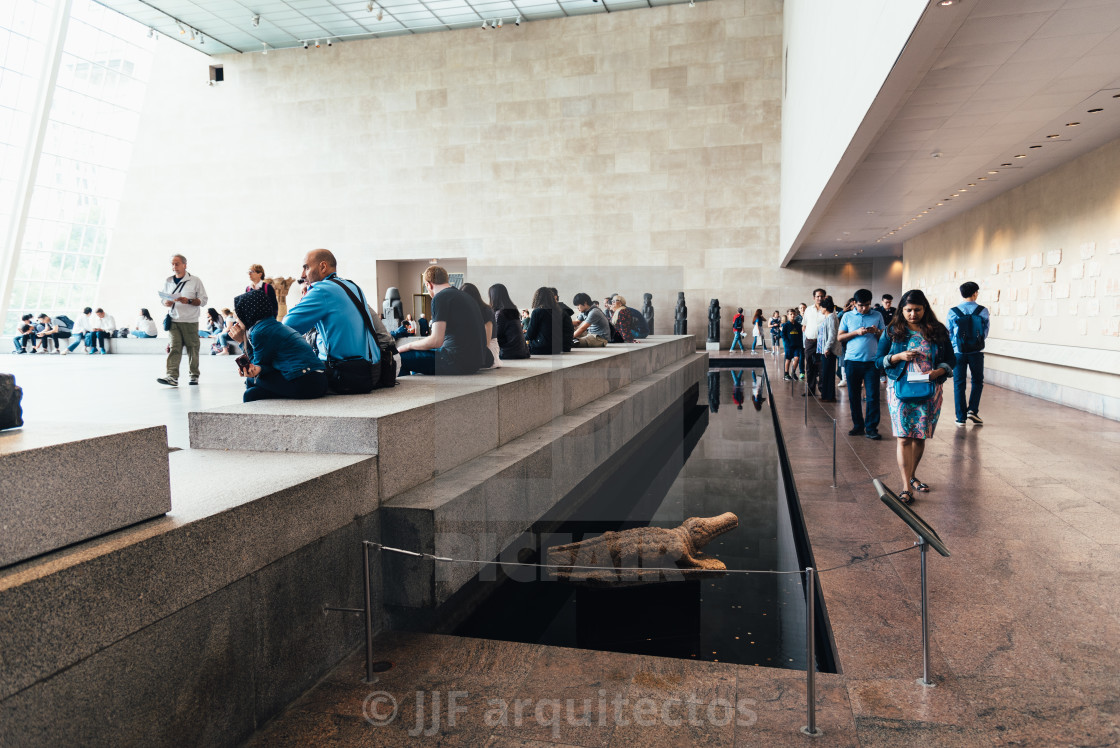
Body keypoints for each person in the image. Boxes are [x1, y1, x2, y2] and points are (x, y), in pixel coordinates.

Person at [877, 289, 955, 504]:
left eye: (917, 310)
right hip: (899, 389)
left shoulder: (937, 330)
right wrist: (897, 356)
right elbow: (878, 360)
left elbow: (951, 359)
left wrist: (939, 372)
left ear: (925, 309)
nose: (913, 314)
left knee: (919, 436)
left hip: (929, 389)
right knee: (903, 437)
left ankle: (912, 476)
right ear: (901, 310)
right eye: (908, 310)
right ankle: (905, 486)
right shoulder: (892, 331)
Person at [283, 249, 382, 387]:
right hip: (373, 370)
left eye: (306, 267)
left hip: (346, 375)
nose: (302, 274)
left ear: (323, 266)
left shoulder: (321, 290)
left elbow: (286, 327)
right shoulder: (352, 286)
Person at [226, 289, 327, 403]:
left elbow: (256, 366)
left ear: (247, 313)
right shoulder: (270, 325)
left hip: (305, 382)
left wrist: (241, 341)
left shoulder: (260, 332)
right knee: (252, 394)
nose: (237, 322)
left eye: (238, 317)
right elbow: (266, 365)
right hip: (316, 380)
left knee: (251, 381)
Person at [397, 265, 484, 375]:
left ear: (429, 285)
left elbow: (436, 341)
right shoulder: (466, 297)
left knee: (400, 357)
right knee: (418, 357)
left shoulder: (440, 297)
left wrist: (407, 346)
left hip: (455, 361)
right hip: (474, 363)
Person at [838, 288, 885, 440]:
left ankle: (871, 428)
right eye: (860, 305)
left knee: (872, 396)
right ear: (854, 303)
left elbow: (884, 337)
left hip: (872, 362)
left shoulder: (877, 315)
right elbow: (840, 337)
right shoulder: (847, 316)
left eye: (866, 305)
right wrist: (856, 333)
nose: (864, 308)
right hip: (852, 361)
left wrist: (876, 331)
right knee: (854, 395)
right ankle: (858, 426)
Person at [158, 254, 208, 387]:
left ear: (185, 265)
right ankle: (172, 376)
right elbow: (163, 299)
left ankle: (194, 375)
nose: (174, 267)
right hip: (173, 320)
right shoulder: (168, 281)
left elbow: (203, 300)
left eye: (177, 263)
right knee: (174, 348)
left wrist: (189, 301)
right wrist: (166, 302)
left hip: (190, 320)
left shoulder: (195, 280)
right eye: (172, 264)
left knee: (193, 349)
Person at [947, 281, 989, 427]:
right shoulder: (983, 311)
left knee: (959, 384)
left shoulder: (953, 311)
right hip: (976, 352)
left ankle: (960, 418)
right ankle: (972, 410)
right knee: (977, 381)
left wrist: (955, 345)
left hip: (958, 352)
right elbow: (985, 332)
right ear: (975, 293)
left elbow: (949, 333)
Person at [489, 283, 530, 360]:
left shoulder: (500, 313)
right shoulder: (513, 310)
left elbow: (496, 335)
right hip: (523, 352)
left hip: (508, 353)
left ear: (493, 297)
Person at [460, 282, 497, 368]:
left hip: (487, 350)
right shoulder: (466, 311)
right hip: (477, 347)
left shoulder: (486, 310)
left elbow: (487, 341)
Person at [525, 286, 570, 354]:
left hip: (540, 348)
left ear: (537, 298)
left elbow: (530, 335)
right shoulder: (558, 311)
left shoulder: (537, 312)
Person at [801, 289, 826, 396]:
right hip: (810, 342)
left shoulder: (827, 310)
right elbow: (804, 325)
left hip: (822, 342)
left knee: (822, 367)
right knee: (810, 367)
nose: (819, 298)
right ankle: (810, 390)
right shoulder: (808, 310)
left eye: (822, 296)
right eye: (817, 296)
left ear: (825, 297)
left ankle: (822, 389)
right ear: (814, 297)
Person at [816, 299, 840, 402]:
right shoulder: (829, 317)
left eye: (821, 307)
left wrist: (827, 348)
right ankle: (826, 395)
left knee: (828, 373)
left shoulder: (831, 318)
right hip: (825, 350)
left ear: (825, 308)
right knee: (825, 373)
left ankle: (829, 396)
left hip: (828, 351)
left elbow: (832, 335)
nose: (820, 309)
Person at [781, 309, 803, 381]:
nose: (792, 315)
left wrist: (800, 343)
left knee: (797, 358)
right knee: (788, 359)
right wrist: (787, 343)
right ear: (788, 315)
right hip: (789, 346)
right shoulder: (786, 325)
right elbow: (783, 335)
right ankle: (786, 373)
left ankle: (793, 372)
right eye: (791, 314)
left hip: (797, 345)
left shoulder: (798, 325)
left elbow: (800, 335)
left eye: (794, 314)